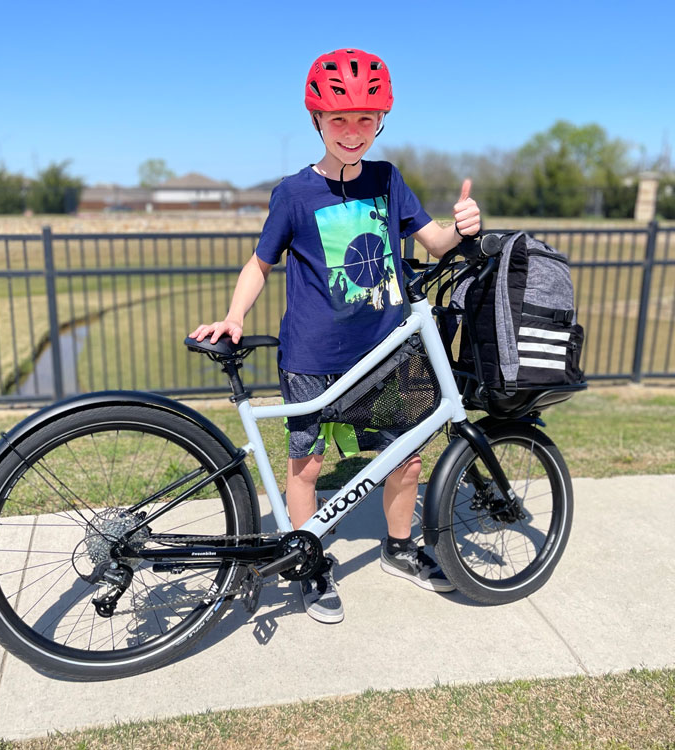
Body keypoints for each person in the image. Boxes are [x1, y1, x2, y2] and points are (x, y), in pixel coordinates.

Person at [189, 48, 481, 624]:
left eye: (366, 120)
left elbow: (436, 244)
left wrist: (464, 223)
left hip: (387, 349)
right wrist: (235, 316)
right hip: (313, 356)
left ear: (381, 123)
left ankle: (400, 549)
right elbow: (260, 264)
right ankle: (308, 561)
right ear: (317, 121)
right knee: (307, 465)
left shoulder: (388, 180)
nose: (353, 132)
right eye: (339, 119)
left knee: (406, 456)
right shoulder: (294, 193)